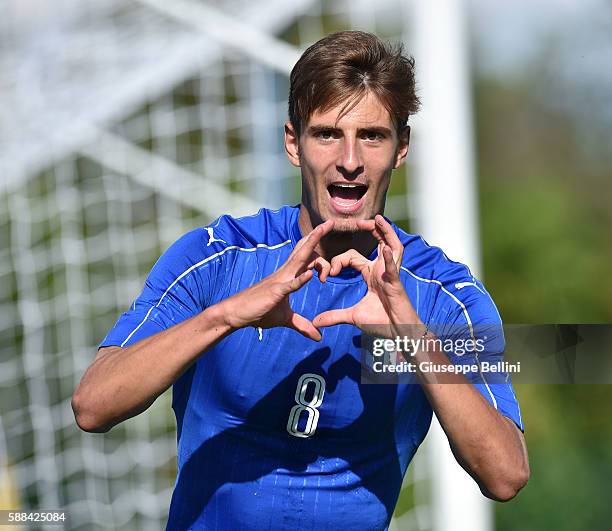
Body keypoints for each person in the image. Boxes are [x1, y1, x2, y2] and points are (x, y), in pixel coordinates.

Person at [72, 31, 529, 530]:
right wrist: (227, 316)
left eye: (372, 135)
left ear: (401, 148)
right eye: (327, 133)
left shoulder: (443, 298)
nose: (350, 160)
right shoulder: (217, 259)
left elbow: (505, 475)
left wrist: (412, 333)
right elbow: (94, 405)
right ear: (294, 144)